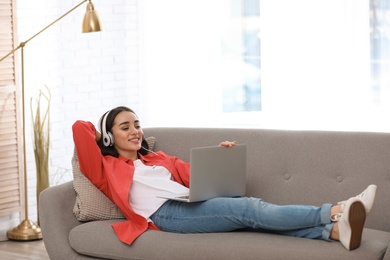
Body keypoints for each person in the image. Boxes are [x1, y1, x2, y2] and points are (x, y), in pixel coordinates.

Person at [72, 106, 377, 251]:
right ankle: (337, 210)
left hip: (189, 202)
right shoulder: (105, 169)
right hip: (167, 216)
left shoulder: (158, 159)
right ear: (111, 137)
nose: (135, 130)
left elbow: (197, 175)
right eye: (125, 127)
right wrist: (104, 138)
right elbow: (79, 128)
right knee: (248, 209)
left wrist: (220, 156)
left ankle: (333, 233)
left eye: (137, 124)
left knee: (251, 220)